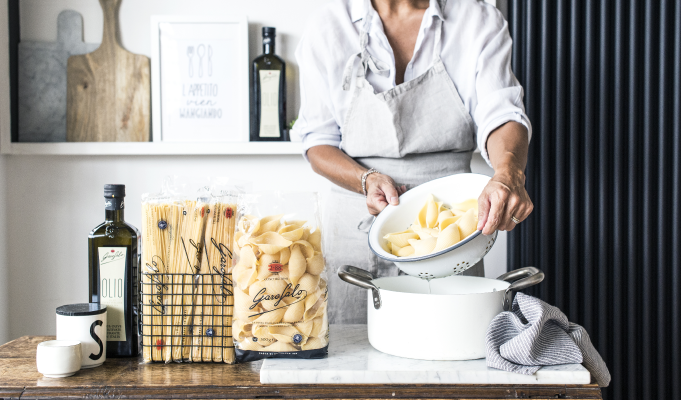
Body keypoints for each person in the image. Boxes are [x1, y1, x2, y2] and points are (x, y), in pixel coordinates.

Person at [291, 0, 533, 323]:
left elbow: (502, 114)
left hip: (455, 241)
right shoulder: (328, 28)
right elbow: (317, 142)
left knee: (452, 352)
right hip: (354, 231)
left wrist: (507, 172)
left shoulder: (477, 20)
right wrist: (365, 179)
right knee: (352, 360)